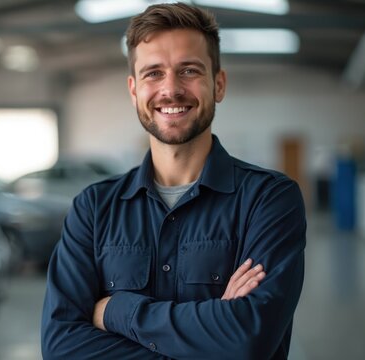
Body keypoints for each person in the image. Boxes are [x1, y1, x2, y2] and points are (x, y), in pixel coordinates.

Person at [41, 3, 306, 359]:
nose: (171, 89)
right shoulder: (93, 209)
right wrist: (213, 336)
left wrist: (117, 310)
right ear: (134, 90)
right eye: (153, 73)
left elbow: (249, 339)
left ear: (219, 84)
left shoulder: (268, 199)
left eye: (189, 70)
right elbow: (61, 346)